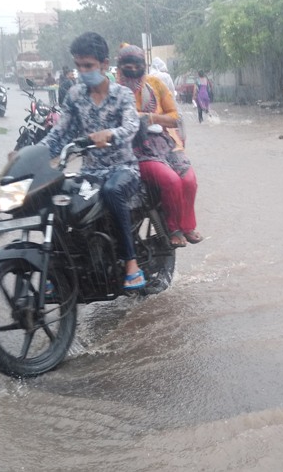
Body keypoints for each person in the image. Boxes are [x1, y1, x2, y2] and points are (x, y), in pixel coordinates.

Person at [37, 32, 146, 290]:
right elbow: (59, 133)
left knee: (112, 191)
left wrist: (111, 134)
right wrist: (32, 154)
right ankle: (56, 267)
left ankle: (131, 263)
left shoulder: (123, 95)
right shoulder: (74, 96)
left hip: (123, 169)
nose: (83, 71)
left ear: (104, 65)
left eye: (89, 66)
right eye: (79, 66)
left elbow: (131, 125)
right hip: (90, 172)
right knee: (53, 196)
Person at [117, 44, 203, 248]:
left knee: (189, 179)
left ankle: (187, 226)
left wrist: (151, 118)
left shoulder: (155, 85)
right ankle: (173, 227)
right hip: (134, 147)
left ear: (144, 66)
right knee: (171, 180)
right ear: (119, 67)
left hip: (164, 141)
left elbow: (175, 118)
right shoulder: (114, 92)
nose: (132, 69)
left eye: (136, 64)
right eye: (127, 65)